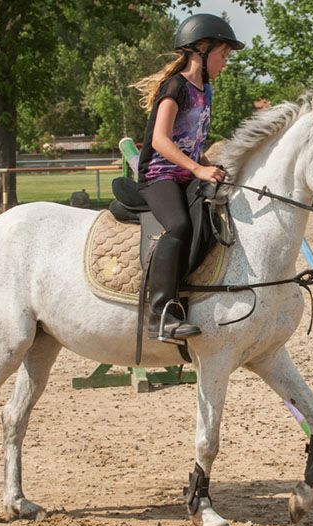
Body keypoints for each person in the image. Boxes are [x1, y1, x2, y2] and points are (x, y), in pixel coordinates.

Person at [119, 13, 243, 342]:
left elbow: (192, 142)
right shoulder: (175, 87)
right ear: (199, 52)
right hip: (159, 176)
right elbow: (160, 140)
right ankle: (159, 315)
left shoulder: (207, 91)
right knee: (178, 226)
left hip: (186, 173)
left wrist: (208, 164)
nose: (224, 63)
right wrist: (198, 169)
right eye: (222, 56)